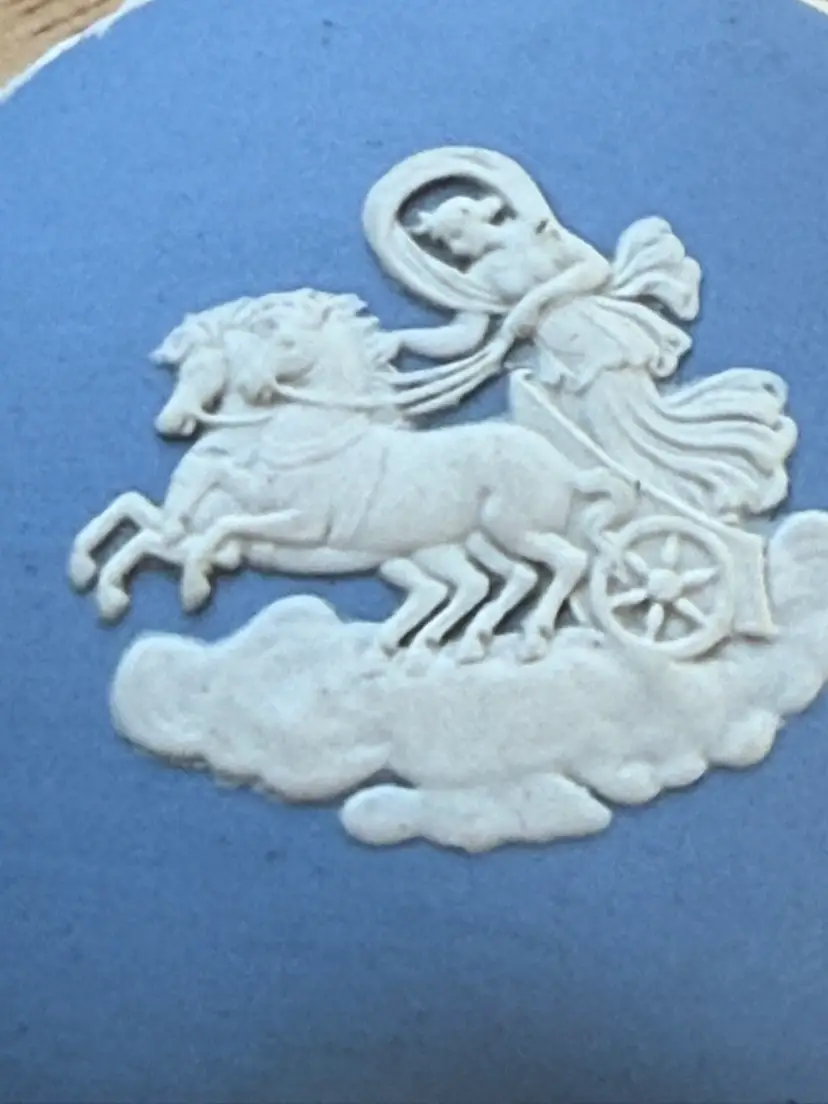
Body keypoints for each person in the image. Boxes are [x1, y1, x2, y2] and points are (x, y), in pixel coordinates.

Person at [387, 193, 796, 521]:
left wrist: (532, 303)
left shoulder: (536, 232)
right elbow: (463, 336)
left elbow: (594, 269)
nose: (456, 250)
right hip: (559, 360)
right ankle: (636, 508)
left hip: (597, 339)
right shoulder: (478, 276)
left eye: (455, 237)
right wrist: (404, 340)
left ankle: (694, 491)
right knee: (598, 436)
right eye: (449, 245)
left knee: (631, 427)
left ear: (474, 221)